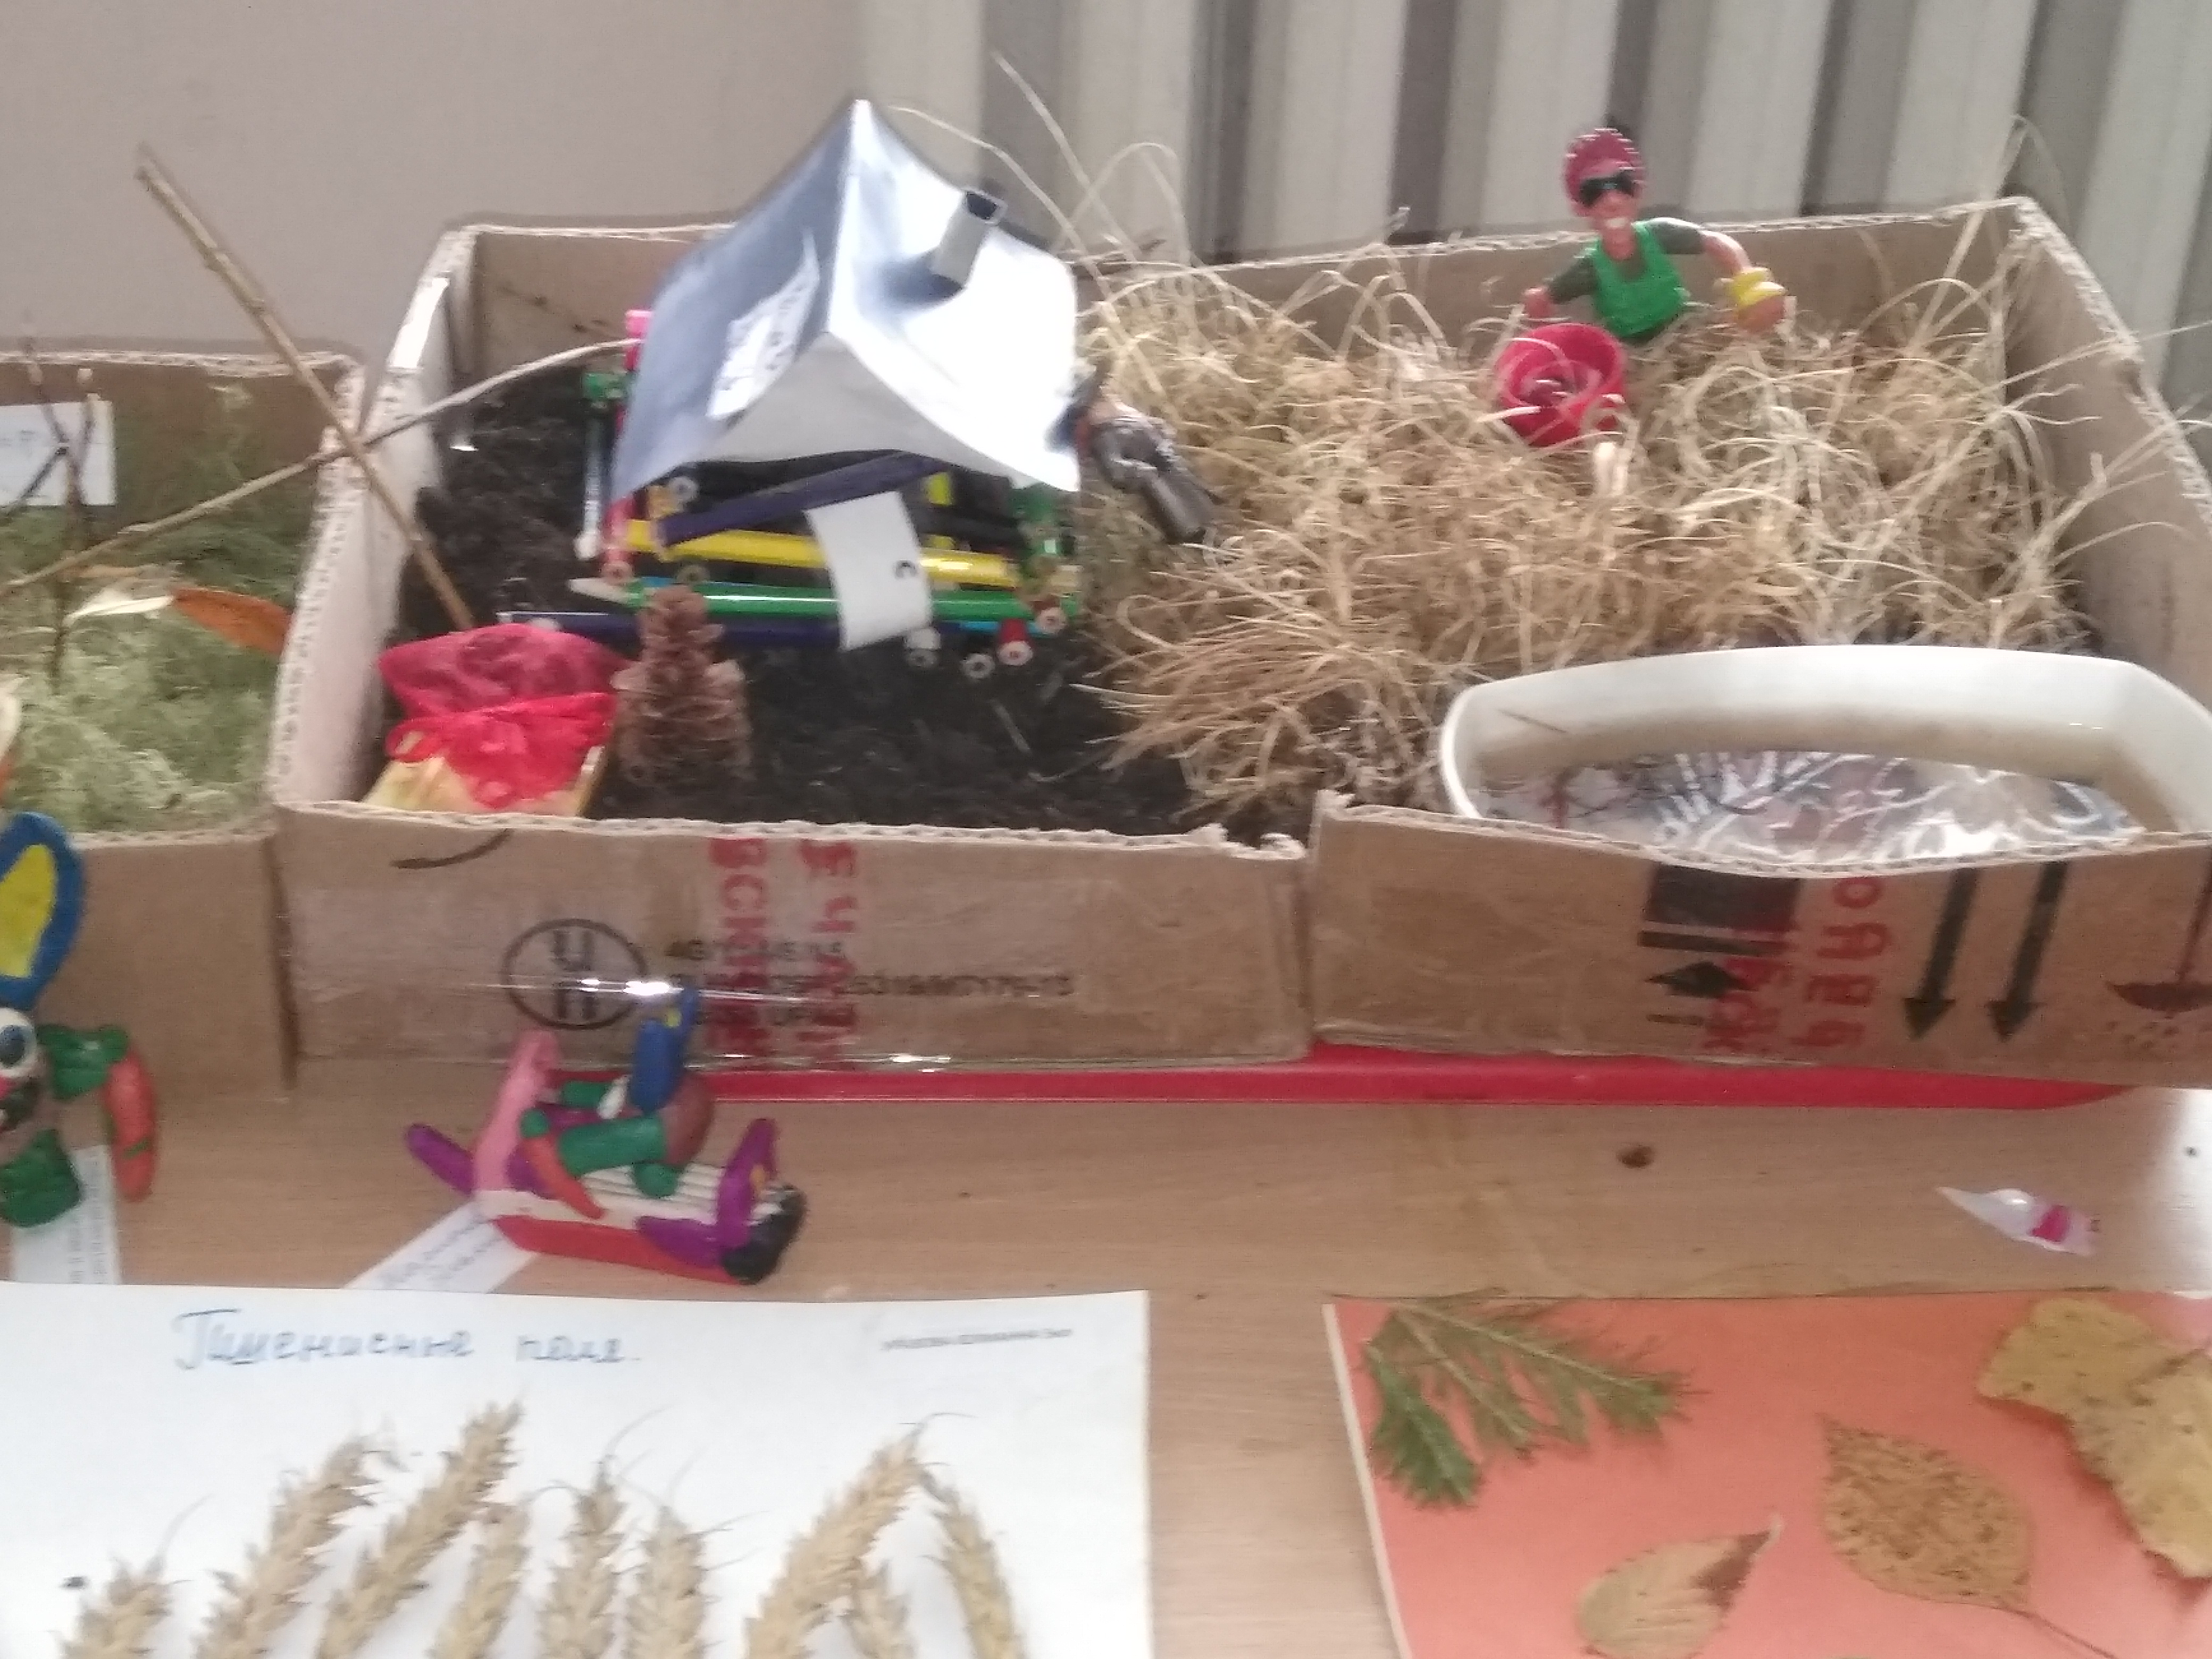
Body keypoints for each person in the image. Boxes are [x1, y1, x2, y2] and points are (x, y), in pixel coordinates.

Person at [1523, 128, 1789, 343]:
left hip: (1684, 331)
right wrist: (1554, 344)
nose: (1613, 201)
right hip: (1632, 351)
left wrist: (1748, 281)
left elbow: (1716, 242)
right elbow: (1539, 300)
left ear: (1638, 192)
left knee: (1744, 322)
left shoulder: (1660, 234)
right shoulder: (1590, 268)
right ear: (1581, 208)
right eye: (1594, 191)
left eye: (1623, 184)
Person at [1068, 371, 1216, 546]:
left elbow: (1155, 427)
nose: (1107, 396)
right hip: (1158, 482)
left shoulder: (1124, 416)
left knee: (1200, 506)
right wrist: (1145, 472)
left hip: (1171, 467)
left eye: (1103, 393)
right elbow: (1116, 471)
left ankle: (1209, 528)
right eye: (1099, 398)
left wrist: (1165, 442)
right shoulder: (1105, 438)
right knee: (1185, 520)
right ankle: (1198, 540)